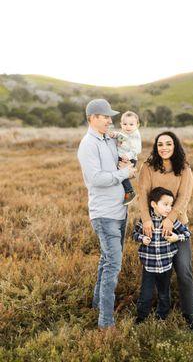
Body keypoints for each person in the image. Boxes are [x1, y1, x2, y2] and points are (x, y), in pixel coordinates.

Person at [77, 99, 136, 330]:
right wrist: (123, 174)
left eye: (110, 117)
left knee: (106, 260)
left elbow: (121, 158)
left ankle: (95, 303)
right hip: (104, 214)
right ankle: (106, 322)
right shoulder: (87, 145)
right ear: (92, 118)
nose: (110, 120)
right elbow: (96, 179)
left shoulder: (108, 139)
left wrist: (127, 163)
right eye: (105, 117)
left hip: (120, 210)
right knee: (113, 264)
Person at [138, 131, 193, 331]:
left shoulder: (183, 169)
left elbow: (184, 198)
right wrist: (146, 220)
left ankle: (189, 315)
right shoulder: (148, 167)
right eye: (160, 144)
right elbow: (142, 195)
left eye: (168, 144)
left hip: (176, 226)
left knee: (184, 271)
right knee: (154, 272)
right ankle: (152, 311)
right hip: (153, 227)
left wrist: (170, 219)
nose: (164, 147)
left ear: (175, 146)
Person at [133, 187, 191, 324]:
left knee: (164, 293)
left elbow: (188, 233)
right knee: (146, 293)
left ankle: (162, 315)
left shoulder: (172, 222)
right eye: (165, 204)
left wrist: (177, 237)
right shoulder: (145, 221)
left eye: (170, 205)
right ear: (153, 204)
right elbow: (134, 234)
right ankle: (141, 316)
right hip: (149, 265)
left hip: (166, 265)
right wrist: (142, 238)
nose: (169, 208)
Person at [109, 110, 141, 205]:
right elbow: (121, 136)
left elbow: (137, 149)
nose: (128, 126)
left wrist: (128, 156)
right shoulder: (126, 132)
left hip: (129, 159)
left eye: (131, 124)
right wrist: (114, 134)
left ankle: (129, 191)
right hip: (123, 157)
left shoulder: (135, 135)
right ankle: (122, 192)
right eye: (125, 124)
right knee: (119, 174)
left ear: (137, 125)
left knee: (122, 174)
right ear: (121, 124)